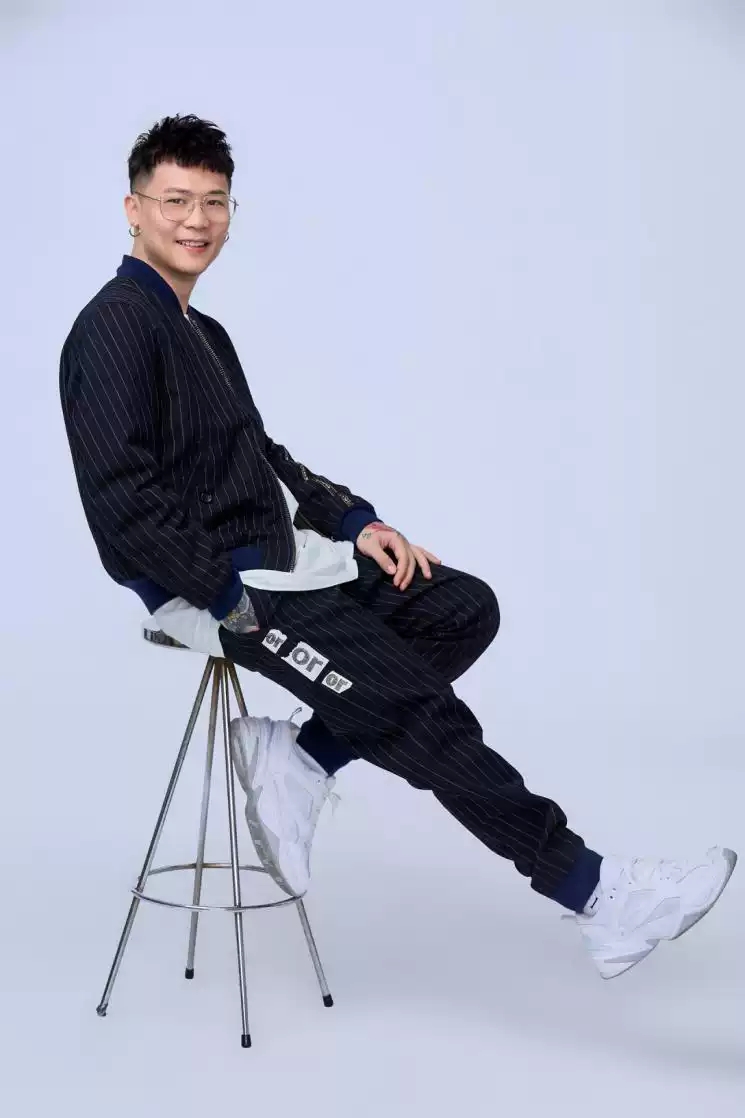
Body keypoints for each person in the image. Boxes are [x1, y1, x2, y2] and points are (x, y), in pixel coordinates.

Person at [59, 113, 736, 982]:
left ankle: (302, 756)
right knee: (416, 707)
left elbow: (261, 456)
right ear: (133, 209)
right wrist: (227, 597)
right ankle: (598, 896)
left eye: (214, 201)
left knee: (460, 608)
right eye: (175, 200)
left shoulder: (203, 331)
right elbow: (120, 504)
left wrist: (353, 524)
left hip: (276, 559)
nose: (197, 220)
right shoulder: (114, 326)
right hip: (222, 589)